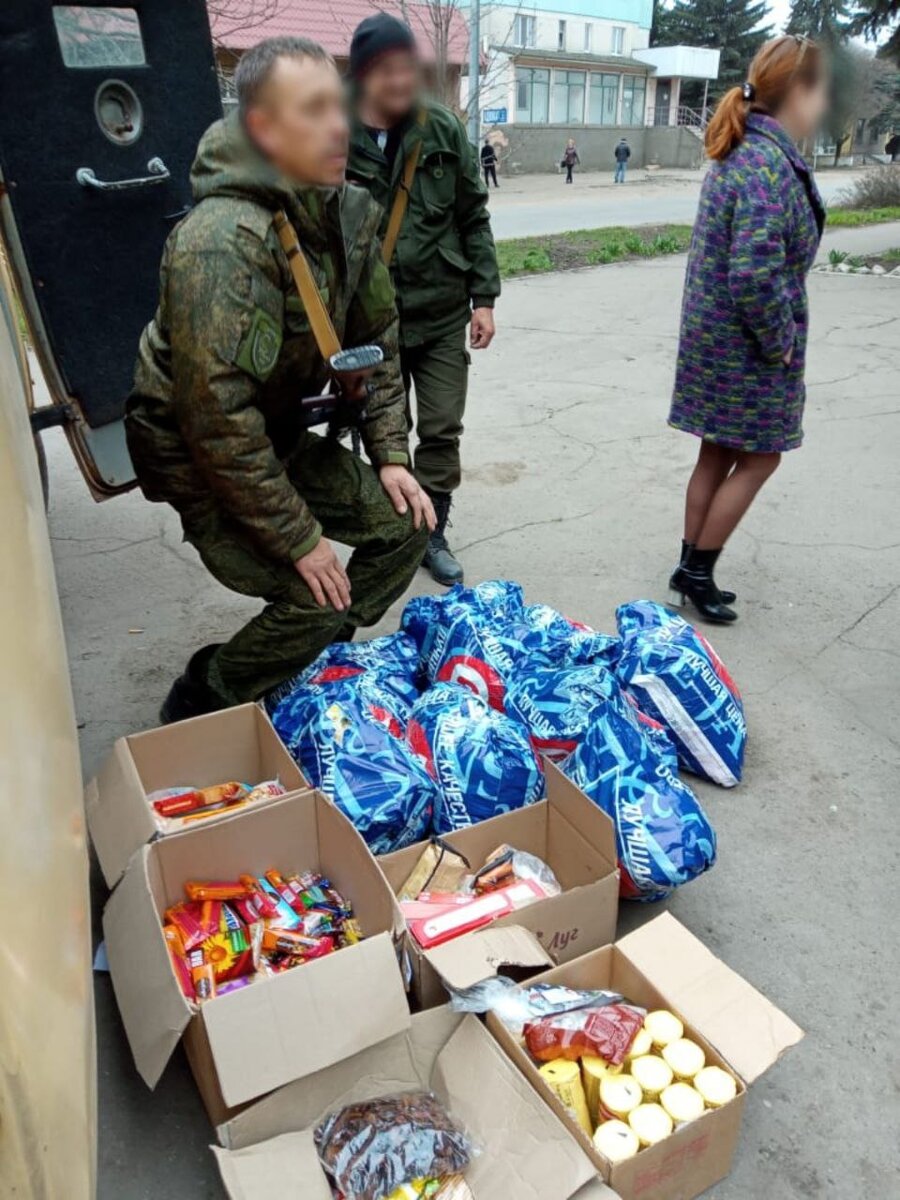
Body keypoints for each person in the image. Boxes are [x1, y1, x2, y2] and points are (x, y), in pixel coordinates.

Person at [125, 37, 434, 722]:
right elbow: (216, 419)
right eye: (313, 110)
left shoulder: (341, 211)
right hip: (199, 458)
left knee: (407, 525)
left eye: (338, 107)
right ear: (264, 130)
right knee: (313, 596)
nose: (338, 127)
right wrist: (300, 539)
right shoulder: (221, 240)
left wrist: (390, 453)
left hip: (275, 436)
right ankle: (207, 692)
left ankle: (302, 651)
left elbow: (377, 338)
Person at [668, 35, 827, 623]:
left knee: (716, 452)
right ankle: (698, 570)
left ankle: (688, 567)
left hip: (717, 340)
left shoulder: (744, 150)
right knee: (761, 459)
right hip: (745, 347)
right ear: (798, 92)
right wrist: (780, 341)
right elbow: (755, 275)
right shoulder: (765, 163)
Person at [346, 14, 501, 587]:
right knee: (384, 428)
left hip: (440, 309)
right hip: (369, 318)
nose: (400, 81)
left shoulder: (441, 128)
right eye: (386, 70)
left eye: (407, 68)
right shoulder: (332, 131)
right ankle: (397, 528)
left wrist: (484, 298)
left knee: (440, 428)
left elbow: (472, 215)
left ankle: (431, 533)